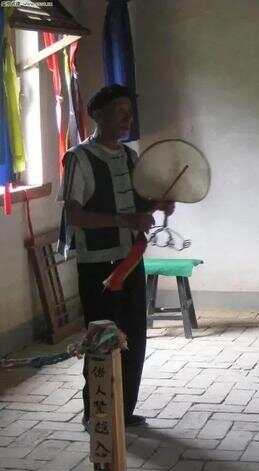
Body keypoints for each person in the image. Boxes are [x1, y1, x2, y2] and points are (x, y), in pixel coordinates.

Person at [57, 84, 174, 427]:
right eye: (120, 110)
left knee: (132, 337)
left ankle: (122, 410)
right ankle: (97, 413)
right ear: (97, 115)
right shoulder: (78, 158)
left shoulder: (129, 156)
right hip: (99, 268)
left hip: (131, 261)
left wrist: (157, 205)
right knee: (102, 340)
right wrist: (125, 219)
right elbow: (75, 216)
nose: (127, 117)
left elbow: (138, 207)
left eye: (129, 111)